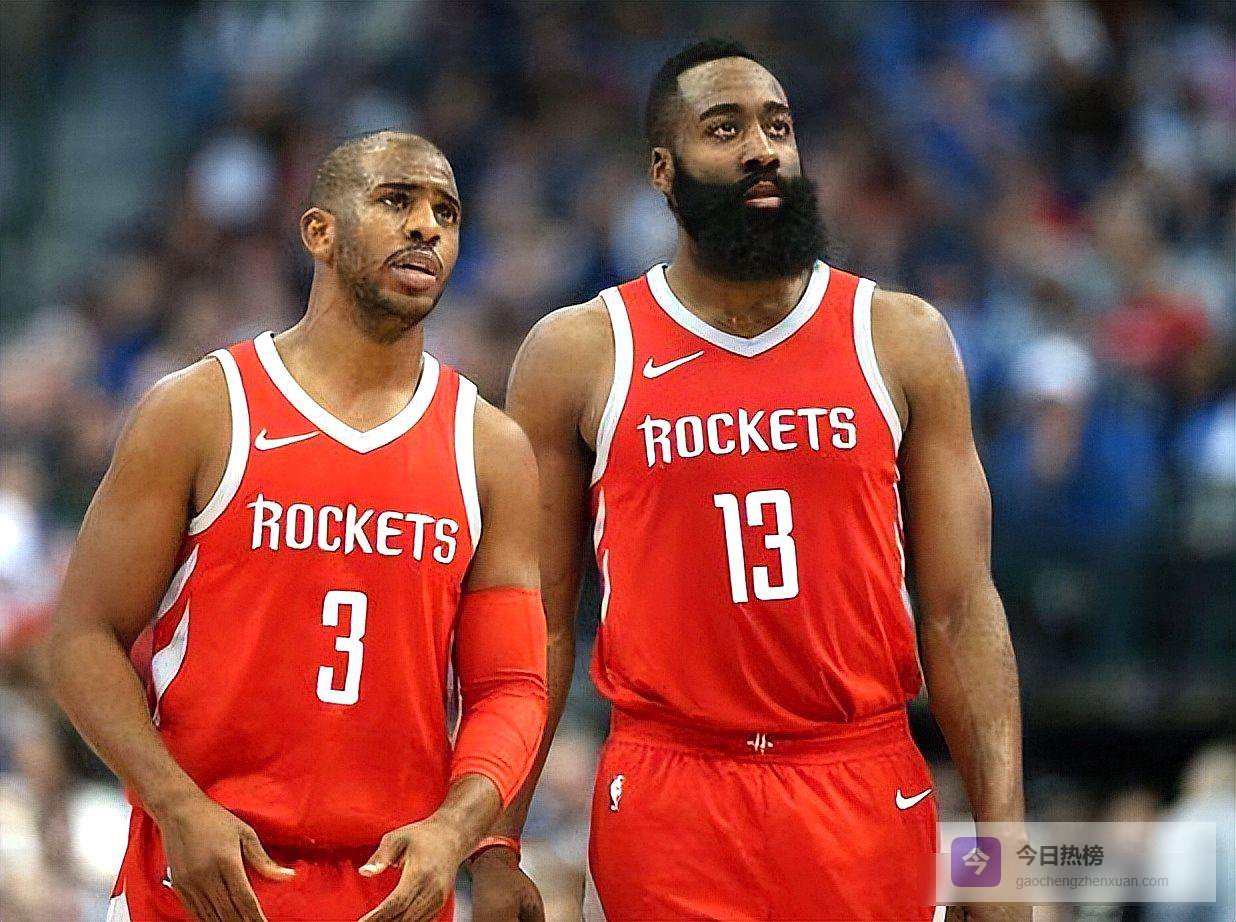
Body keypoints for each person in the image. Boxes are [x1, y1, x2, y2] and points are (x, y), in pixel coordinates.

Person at [474, 41, 1027, 921]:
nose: (762, 149)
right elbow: (535, 621)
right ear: (663, 170)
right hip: (669, 789)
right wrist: (499, 841)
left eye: (778, 126)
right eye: (725, 129)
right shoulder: (580, 350)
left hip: (860, 778)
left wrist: (1002, 859)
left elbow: (962, 612)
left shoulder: (901, 338)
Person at [47, 130, 548, 922]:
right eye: (397, 200)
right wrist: (174, 803)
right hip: (200, 878)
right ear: (319, 232)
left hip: (389, 888)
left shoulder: (489, 447)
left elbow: (511, 686)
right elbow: (81, 637)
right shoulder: (202, 408)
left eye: (446, 213)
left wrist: (458, 829)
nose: (426, 226)